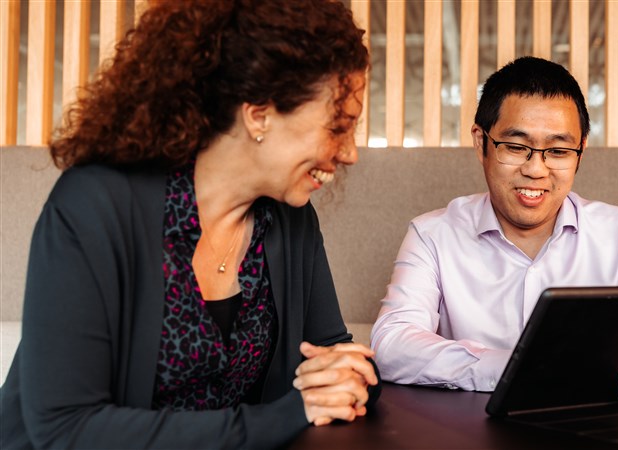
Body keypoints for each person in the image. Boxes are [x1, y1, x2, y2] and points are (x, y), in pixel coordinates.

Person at [0, 0, 379, 448]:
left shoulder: (290, 218)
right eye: (338, 126)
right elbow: (66, 429)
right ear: (259, 113)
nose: (350, 152)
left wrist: (344, 379)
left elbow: (335, 356)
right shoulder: (93, 207)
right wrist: (283, 416)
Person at [371, 56, 618, 404]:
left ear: (581, 150)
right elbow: (392, 343)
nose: (536, 169)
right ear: (481, 142)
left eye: (559, 151)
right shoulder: (432, 235)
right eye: (516, 147)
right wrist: (515, 368)